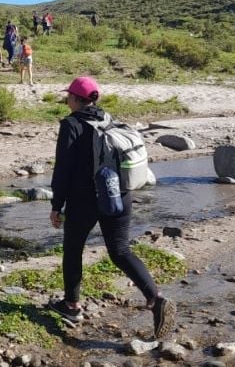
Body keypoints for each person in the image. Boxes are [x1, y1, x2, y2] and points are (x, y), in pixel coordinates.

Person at [47, 76, 176, 339]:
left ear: (74, 99)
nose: (66, 101)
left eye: (68, 97)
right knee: (120, 251)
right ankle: (156, 298)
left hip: (84, 200)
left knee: (73, 250)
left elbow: (63, 170)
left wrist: (56, 205)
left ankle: (71, 306)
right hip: (118, 195)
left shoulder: (70, 125)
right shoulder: (108, 119)